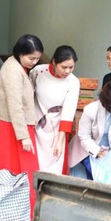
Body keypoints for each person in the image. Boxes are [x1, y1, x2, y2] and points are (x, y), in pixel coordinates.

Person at [0, 34, 44, 218]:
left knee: (20, 172)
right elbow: (15, 105)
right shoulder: (13, 71)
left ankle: (22, 216)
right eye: (31, 58)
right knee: (16, 171)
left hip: (14, 126)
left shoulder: (17, 65)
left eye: (37, 58)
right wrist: (24, 135)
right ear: (20, 53)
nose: (34, 62)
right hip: (12, 127)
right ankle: (21, 216)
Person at [31, 45, 80, 175]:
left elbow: (68, 113)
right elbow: (28, 94)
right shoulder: (38, 72)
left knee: (54, 166)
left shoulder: (73, 82)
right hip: (36, 126)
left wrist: (60, 141)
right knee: (33, 164)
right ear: (53, 62)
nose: (68, 71)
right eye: (64, 67)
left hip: (57, 131)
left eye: (71, 67)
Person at [68, 79, 111, 180]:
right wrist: (97, 151)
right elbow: (84, 136)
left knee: (105, 179)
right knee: (96, 177)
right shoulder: (91, 110)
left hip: (108, 149)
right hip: (87, 149)